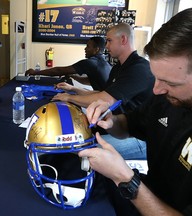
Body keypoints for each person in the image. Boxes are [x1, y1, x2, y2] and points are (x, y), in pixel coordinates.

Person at [80, 8, 192, 215]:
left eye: (170, 82)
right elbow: (128, 125)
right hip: (149, 192)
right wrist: (111, 120)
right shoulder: (163, 99)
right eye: (156, 77)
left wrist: (126, 180)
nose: (157, 89)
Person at [53, 23, 154, 160]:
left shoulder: (139, 68)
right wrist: (73, 89)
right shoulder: (118, 68)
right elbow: (102, 93)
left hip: (138, 136)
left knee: (82, 152)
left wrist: (69, 98)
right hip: (118, 125)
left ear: (123, 40)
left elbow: (104, 99)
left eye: (109, 41)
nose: (106, 46)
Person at [25, 36, 111, 91]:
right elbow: (90, 81)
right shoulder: (103, 62)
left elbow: (59, 70)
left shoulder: (91, 63)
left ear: (96, 49)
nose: (85, 49)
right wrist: (73, 76)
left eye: (88, 46)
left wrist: (35, 72)